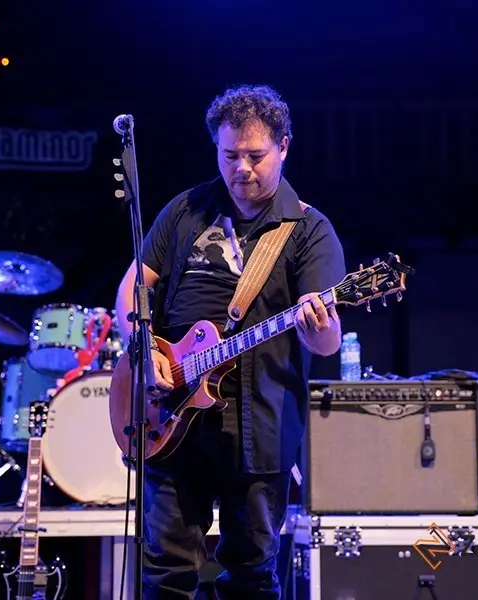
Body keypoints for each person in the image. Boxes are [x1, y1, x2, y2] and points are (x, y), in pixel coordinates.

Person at [115, 84, 347, 599]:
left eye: (256, 156)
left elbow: (328, 343)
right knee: (164, 570)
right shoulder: (185, 210)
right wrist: (144, 346)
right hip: (170, 417)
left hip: (259, 427)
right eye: (229, 155)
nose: (241, 167)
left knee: (251, 573)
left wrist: (320, 327)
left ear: (284, 146)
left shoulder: (309, 230)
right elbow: (134, 285)